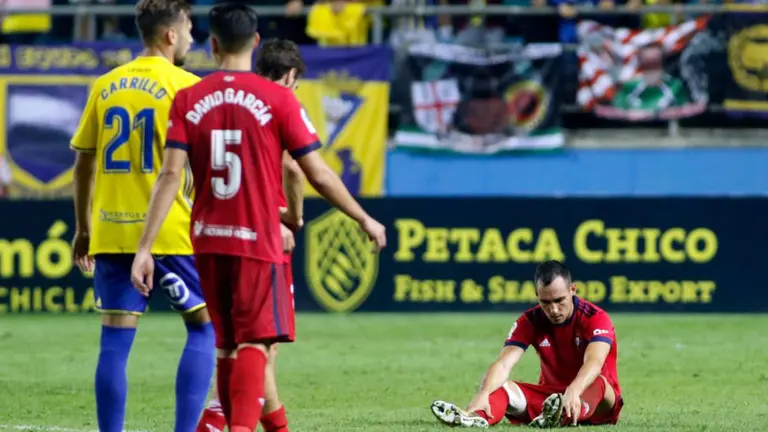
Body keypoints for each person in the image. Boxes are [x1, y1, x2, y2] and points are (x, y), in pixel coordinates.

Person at [129, 4, 386, 432]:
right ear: (254, 42)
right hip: (255, 238)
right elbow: (316, 173)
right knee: (254, 343)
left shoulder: (188, 97)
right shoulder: (279, 98)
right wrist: (363, 218)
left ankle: (227, 423)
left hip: (207, 239)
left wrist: (144, 247)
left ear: (212, 45)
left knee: (226, 344)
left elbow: (170, 175)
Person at [69, 1, 214, 432]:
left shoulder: (106, 84)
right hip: (171, 230)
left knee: (114, 340)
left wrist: (83, 228)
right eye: (188, 29)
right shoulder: (187, 86)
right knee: (205, 329)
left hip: (112, 231)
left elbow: (83, 163)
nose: (192, 37)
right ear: (170, 35)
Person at [430, 260, 623, 429]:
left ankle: (557, 416)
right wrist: (484, 392)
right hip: (551, 400)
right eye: (545, 302)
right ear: (537, 294)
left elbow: (594, 362)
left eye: (559, 300)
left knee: (598, 382)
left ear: (573, 289)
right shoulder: (530, 320)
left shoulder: (595, 317)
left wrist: (573, 390)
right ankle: (474, 418)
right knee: (501, 386)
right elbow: (504, 363)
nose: (553, 309)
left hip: (597, 400)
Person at [197, 150, 305, 432]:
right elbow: (294, 167)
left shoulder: (210, 112)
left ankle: (218, 421)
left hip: (217, 231)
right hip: (263, 237)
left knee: (245, 345)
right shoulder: (267, 111)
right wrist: (285, 217)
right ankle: (215, 421)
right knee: (258, 344)